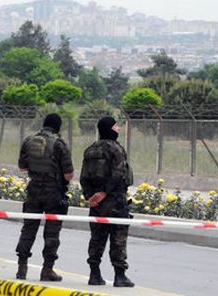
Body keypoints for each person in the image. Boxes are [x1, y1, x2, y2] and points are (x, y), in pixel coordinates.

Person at [15, 113, 74, 281]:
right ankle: (47, 270)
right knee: (52, 232)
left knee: (28, 228)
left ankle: (22, 268)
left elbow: (22, 167)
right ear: (58, 126)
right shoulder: (60, 144)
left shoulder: (29, 140)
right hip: (54, 192)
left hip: (33, 190)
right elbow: (69, 174)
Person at [79, 116, 135, 288]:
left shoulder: (90, 150)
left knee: (96, 237)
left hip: (96, 204)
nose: (118, 129)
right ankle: (120, 276)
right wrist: (104, 192)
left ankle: (94, 274)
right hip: (115, 200)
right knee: (118, 237)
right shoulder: (116, 149)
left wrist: (91, 197)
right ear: (109, 128)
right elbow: (118, 174)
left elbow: (83, 177)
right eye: (116, 126)